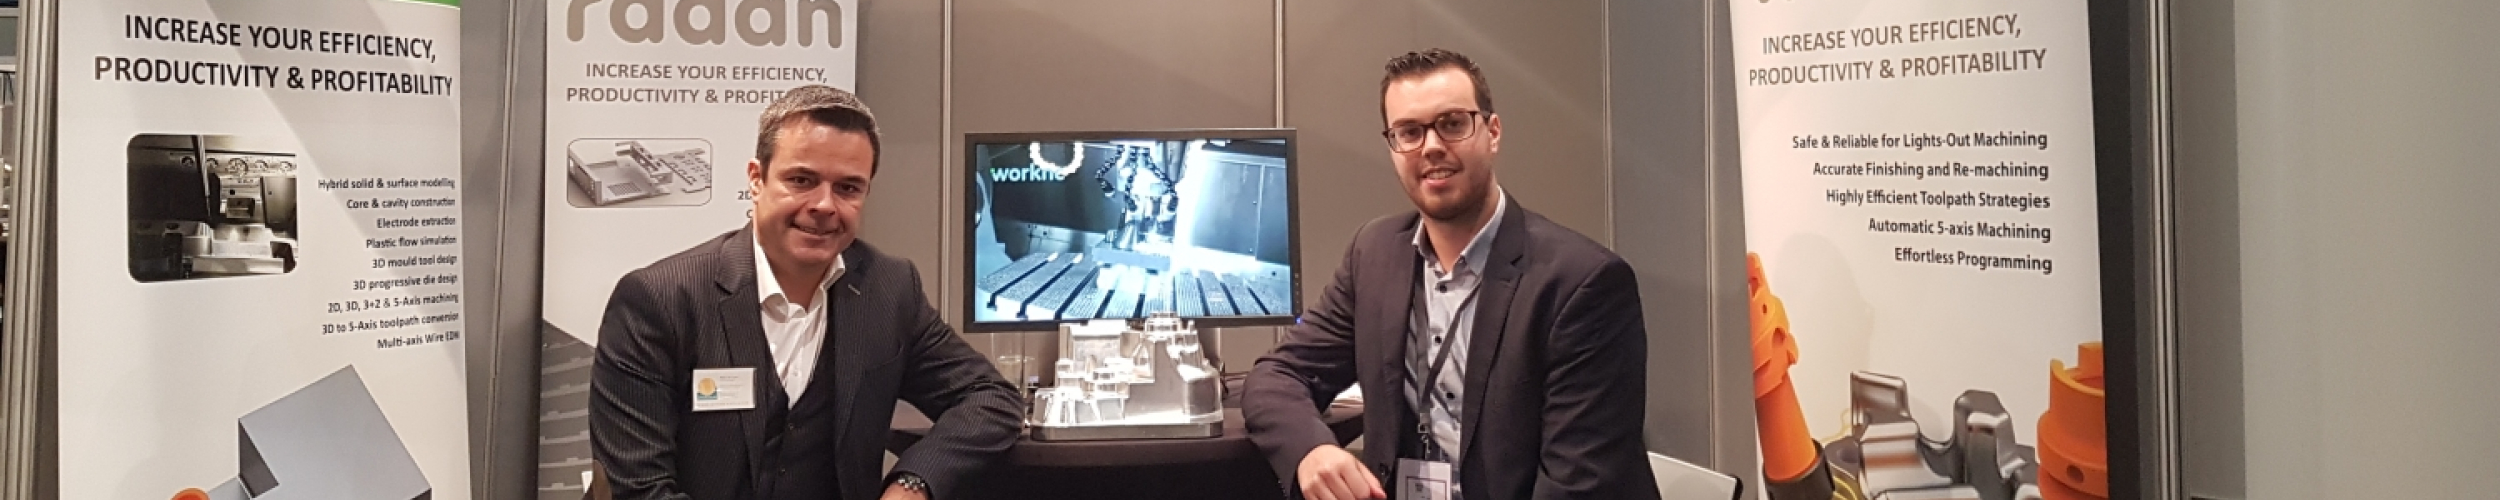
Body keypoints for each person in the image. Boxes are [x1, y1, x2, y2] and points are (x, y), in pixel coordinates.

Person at [1242, 49, 1658, 500]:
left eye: (1453, 124)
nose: (1431, 146)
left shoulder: (1583, 283)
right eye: (1409, 132)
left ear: (1492, 132)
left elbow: (1578, 486)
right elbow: (1278, 374)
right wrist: (1311, 450)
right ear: (1392, 147)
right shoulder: (1374, 253)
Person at [590, 85, 1024, 500]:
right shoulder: (659, 300)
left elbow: (992, 397)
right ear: (756, 179)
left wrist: (912, 483)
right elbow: (641, 488)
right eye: (801, 180)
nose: (824, 205)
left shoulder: (889, 290)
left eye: (848, 188)